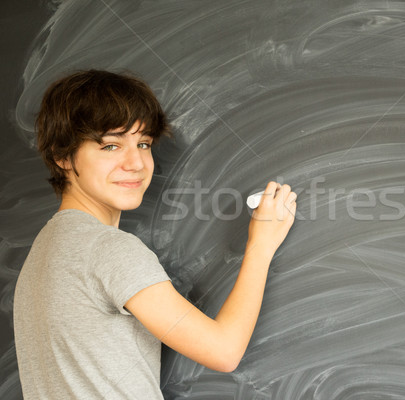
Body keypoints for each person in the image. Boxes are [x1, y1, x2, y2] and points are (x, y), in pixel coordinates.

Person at [13, 70, 297, 399]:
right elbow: (223, 351)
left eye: (143, 143)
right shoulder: (109, 249)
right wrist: (261, 246)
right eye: (110, 146)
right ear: (62, 155)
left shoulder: (45, 251)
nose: (135, 162)